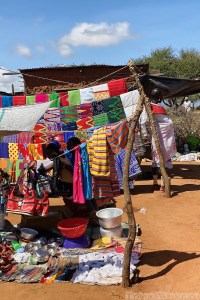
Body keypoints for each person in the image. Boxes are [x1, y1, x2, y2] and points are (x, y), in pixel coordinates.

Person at [150, 88, 177, 191]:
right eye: (160, 96)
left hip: (155, 136)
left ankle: (155, 182)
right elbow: (167, 123)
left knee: (155, 159)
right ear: (159, 98)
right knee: (165, 159)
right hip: (164, 138)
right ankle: (163, 184)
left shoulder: (148, 107)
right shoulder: (158, 108)